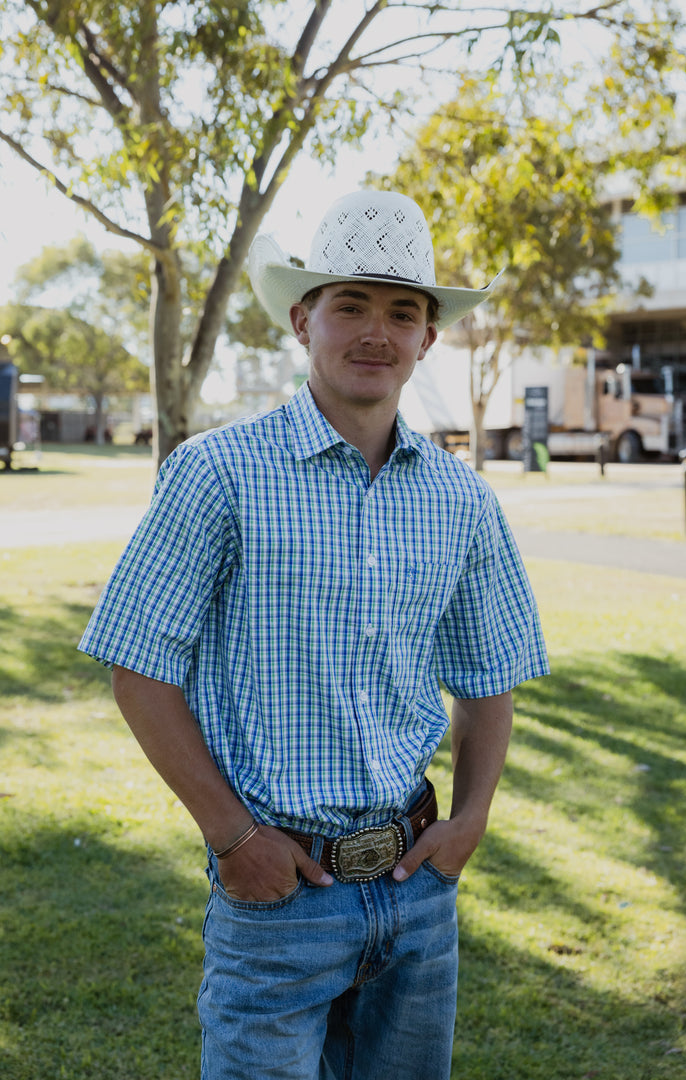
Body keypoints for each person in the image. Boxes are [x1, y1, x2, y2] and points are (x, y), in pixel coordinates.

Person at [79, 190, 549, 1080]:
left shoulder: (461, 502)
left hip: (417, 893)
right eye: (351, 306)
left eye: (402, 312)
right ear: (303, 321)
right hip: (276, 895)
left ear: (428, 338)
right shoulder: (215, 474)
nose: (377, 332)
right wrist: (233, 840)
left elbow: (489, 677)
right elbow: (139, 670)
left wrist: (472, 819)